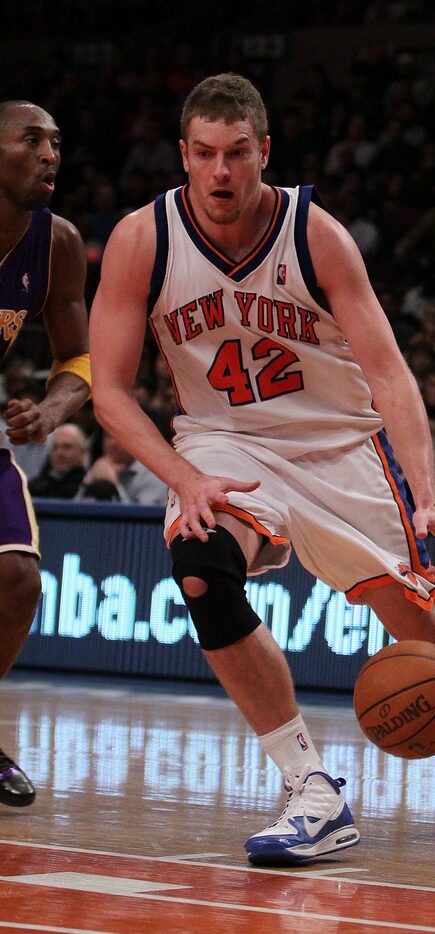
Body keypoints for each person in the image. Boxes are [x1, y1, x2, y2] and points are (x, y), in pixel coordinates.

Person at [90, 73, 435, 865]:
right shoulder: (140, 240)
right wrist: (182, 479)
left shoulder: (313, 232)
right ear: (183, 155)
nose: (222, 173)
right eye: (206, 155)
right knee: (199, 569)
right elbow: (111, 393)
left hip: (340, 448)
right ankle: (310, 787)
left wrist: (428, 498)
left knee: (421, 630)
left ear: (265, 152)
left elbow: (390, 373)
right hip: (226, 445)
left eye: (239, 154)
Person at [0, 100, 90, 805]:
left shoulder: (56, 242)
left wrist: (51, 409)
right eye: (31, 140)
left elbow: (80, 358)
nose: (50, 154)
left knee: (18, 580)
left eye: (55, 143)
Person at [28, 423, 88, 499]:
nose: (59, 453)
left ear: (83, 452)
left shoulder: (89, 486)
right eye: (55, 447)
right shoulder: (34, 487)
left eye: (66, 447)